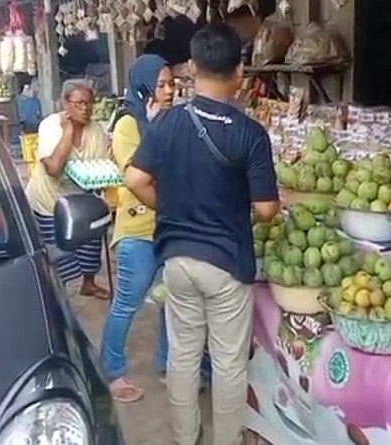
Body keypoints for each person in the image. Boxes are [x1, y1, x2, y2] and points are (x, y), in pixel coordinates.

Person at [125, 24, 279, 445]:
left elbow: (135, 178)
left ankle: (185, 437)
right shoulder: (250, 133)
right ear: (240, 72)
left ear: (192, 68)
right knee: (228, 363)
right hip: (226, 264)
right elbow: (267, 209)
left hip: (177, 261)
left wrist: (170, 208)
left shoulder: (167, 122)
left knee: (183, 355)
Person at [100, 54, 175, 403]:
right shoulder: (128, 126)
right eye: (161, 84)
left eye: (172, 83)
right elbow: (138, 176)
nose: (169, 91)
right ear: (144, 86)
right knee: (127, 303)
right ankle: (112, 370)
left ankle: (167, 364)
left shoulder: (169, 119)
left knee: (169, 300)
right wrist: (157, 130)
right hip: (138, 230)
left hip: (168, 228)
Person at [25, 80, 110, 298]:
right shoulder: (50, 126)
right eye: (79, 103)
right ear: (65, 104)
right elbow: (53, 168)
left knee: (90, 242)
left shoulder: (96, 131)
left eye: (89, 103)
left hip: (80, 199)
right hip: (50, 202)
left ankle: (88, 283)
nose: (86, 109)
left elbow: (98, 169)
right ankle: (57, 293)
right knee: (59, 254)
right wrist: (68, 131)